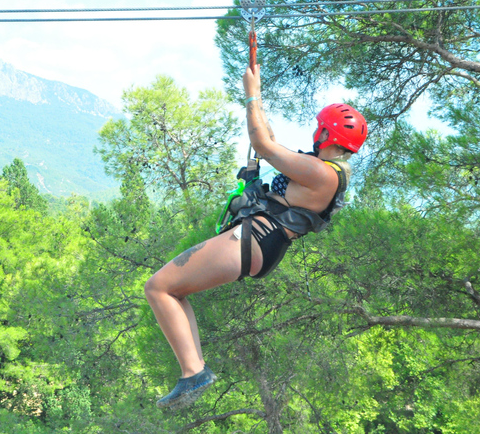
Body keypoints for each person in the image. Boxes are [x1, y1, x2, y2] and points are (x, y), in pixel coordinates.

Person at [144, 64, 368, 410]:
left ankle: (195, 372)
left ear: (326, 134)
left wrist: (251, 94)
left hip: (256, 238)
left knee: (158, 287)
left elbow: (262, 144)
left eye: (318, 129)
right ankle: (194, 371)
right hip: (262, 241)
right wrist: (257, 97)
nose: (314, 133)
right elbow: (273, 143)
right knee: (172, 289)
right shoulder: (324, 170)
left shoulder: (323, 174)